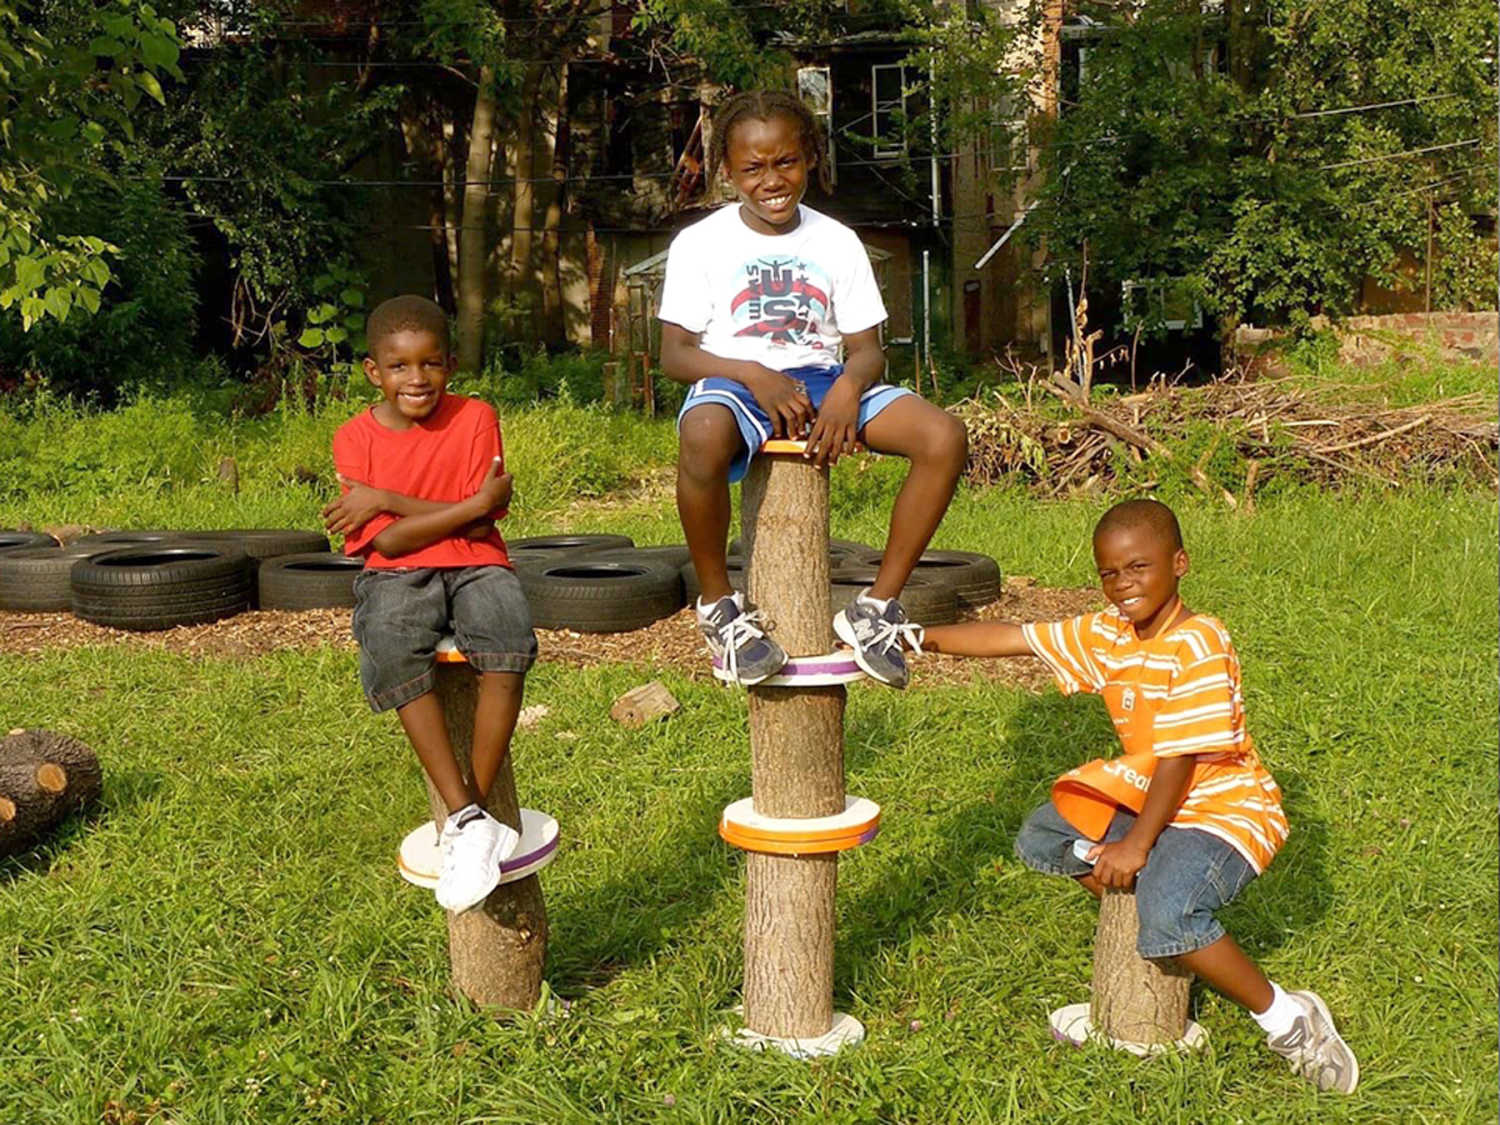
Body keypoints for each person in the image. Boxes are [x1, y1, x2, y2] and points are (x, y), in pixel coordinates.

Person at [921, 499, 1358, 1093]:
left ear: (1179, 564)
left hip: (1224, 810)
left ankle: (1287, 1017)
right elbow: (1013, 638)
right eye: (1109, 572)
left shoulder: (1198, 641)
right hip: (1151, 796)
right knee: (1044, 836)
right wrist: (917, 639)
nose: (1123, 584)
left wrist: (1137, 846)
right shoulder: (1109, 632)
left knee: (1169, 909)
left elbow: (1180, 758)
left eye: (1139, 568)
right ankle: (1169, 930)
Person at [657, 89, 968, 689]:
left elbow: (868, 348)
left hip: (825, 380)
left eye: (786, 163)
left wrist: (851, 386)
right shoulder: (699, 243)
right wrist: (753, 374)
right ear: (728, 171)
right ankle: (720, 609)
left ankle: (875, 611)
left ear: (810, 160)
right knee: (702, 431)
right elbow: (676, 355)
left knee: (943, 437)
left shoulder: (835, 241)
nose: (771, 180)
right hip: (735, 380)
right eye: (752, 168)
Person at [322, 295, 537, 914]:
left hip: (478, 564)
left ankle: (477, 806)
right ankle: (464, 813)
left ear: (450, 365)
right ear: (372, 371)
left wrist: (390, 497)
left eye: (431, 365)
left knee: (505, 636)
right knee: (390, 643)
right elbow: (385, 541)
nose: (416, 380)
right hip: (396, 572)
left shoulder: (475, 418)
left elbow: (478, 527)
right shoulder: (353, 438)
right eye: (399, 367)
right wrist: (469, 505)